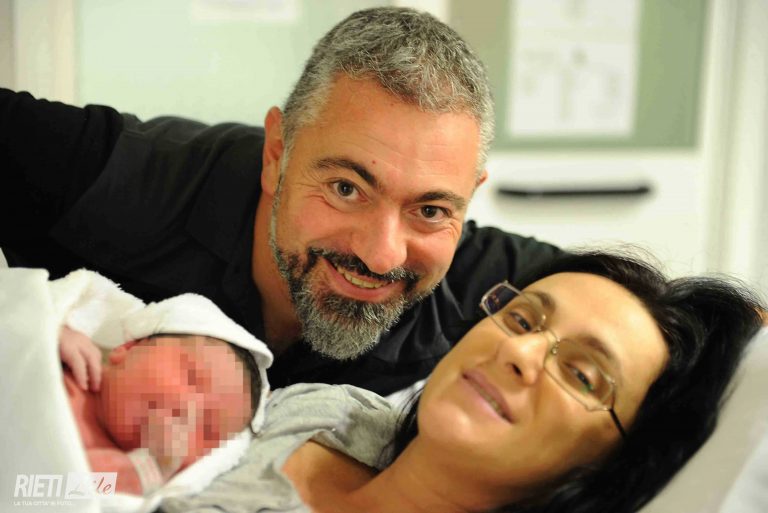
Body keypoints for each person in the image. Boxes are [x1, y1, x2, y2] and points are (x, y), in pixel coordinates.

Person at [0, 7, 561, 396]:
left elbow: (617, 309)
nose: (383, 255)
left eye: (431, 211)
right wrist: (13, 319)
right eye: (346, 189)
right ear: (276, 153)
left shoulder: (486, 285)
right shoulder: (125, 178)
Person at [158, 250, 764, 513]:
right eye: (521, 318)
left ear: (612, 464)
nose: (519, 351)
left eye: (581, 374)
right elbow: (121, 462)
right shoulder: (330, 412)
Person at [61, 329, 259, 495]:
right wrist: (53, 332)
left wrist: (146, 470)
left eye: (208, 429)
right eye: (191, 377)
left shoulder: (114, 481)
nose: (187, 410)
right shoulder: (72, 352)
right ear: (129, 348)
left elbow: (55, 487)